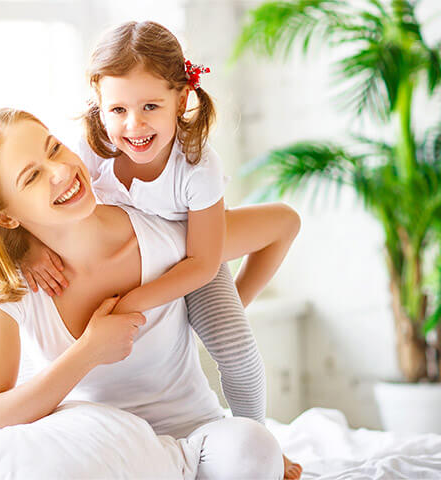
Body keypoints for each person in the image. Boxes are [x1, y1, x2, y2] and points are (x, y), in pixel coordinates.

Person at [18, 21, 302, 479]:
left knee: (239, 353)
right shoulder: (89, 151)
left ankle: (262, 437)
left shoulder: (196, 164)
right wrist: (29, 250)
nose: (135, 125)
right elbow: (45, 207)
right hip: (135, 258)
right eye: (118, 109)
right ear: (99, 105)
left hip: (188, 259)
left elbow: (204, 262)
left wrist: (158, 307)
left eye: (151, 105)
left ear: (183, 98)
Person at [0, 108, 284, 479]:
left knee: (254, 447)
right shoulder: (16, 288)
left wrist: (212, 315)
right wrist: (89, 351)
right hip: (98, 450)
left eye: (54, 148)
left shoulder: (163, 235)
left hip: (195, 438)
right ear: (4, 216)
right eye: (32, 176)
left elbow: (281, 225)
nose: (60, 171)